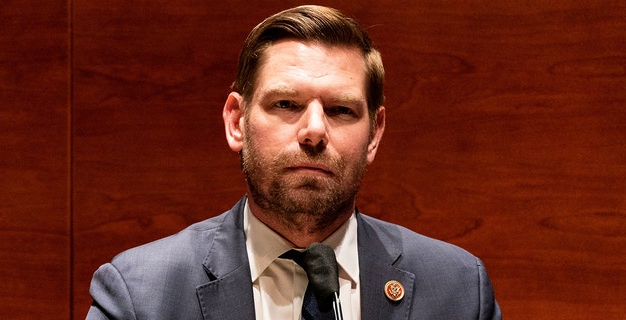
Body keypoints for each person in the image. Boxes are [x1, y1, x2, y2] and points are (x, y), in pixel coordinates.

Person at [86, 5, 502, 320]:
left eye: (340, 110)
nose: (314, 131)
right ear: (237, 122)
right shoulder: (140, 295)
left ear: (374, 134)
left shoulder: (460, 290)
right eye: (286, 104)